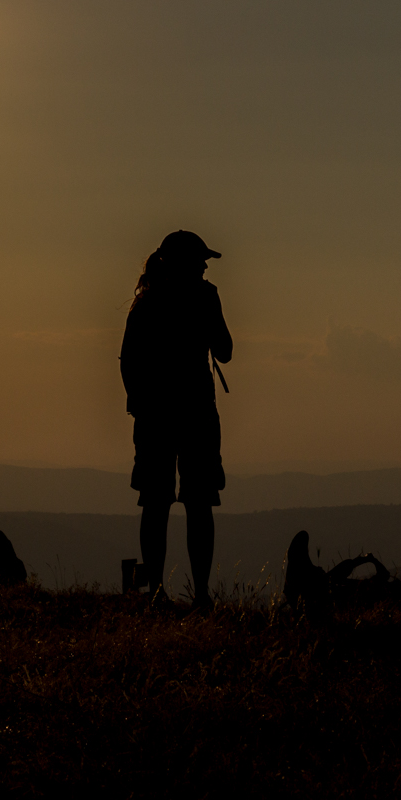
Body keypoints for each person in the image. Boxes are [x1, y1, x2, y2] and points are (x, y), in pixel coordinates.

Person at [120, 230, 232, 609]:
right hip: (197, 412)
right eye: (200, 261)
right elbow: (226, 351)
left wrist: (139, 403)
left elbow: (128, 359)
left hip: (154, 416)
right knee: (199, 503)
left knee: (156, 502)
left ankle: (155, 593)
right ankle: (200, 595)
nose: (204, 266)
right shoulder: (206, 297)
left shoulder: (147, 302)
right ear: (185, 263)